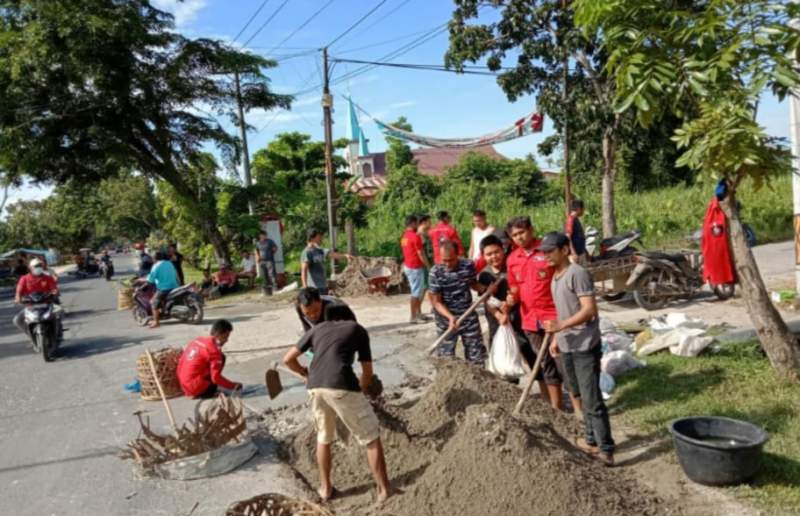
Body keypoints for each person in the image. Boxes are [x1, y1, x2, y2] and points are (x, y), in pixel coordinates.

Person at [283, 316, 395, 503]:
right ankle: (384, 490)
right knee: (371, 437)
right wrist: (363, 388)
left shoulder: (317, 329)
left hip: (315, 387)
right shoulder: (357, 329)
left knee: (323, 437)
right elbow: (367, 371)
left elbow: (287, 359)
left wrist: (304, 373)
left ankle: (325, 489)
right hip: (341, 385)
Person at [541, 232, 615, 466]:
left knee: (591, 398)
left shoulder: (578, 274)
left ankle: (606, 449)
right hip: (567, 344)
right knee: (576, 393)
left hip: (584, 344)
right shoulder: (555, 277)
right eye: (544, 252)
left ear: (564, 250)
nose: (546, 256)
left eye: (550, 251)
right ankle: (591, 440)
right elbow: (563, 311)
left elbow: (589, 309)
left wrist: (561, 325)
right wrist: (556, 338)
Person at [505, 216, 564, 410]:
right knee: (544, 363)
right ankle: (556, 408)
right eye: (514, 235)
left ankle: (575, 405)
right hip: (530, 319)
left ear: (531, 229)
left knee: (563, 362)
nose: (519, 238)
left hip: (555, 316)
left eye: (521, 232)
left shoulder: (547, 251)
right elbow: (514, 286)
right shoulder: (513, 259)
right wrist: (512, 297)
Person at [477, 234, 535, 367]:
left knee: (533, 358)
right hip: (498, 324)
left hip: (519, 321)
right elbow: (487, 300)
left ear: (503, 249)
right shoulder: (484, 275)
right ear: (483, 256)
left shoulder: (512, 267)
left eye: (496, 252)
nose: (494, 257)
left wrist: (509, 304)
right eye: (489, 254)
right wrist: (499, 315)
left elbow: (521, 291)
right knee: (504, 365)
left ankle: (543, 385)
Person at [429, 241, 487, 365]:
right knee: (446, 359)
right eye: (444, 260)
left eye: (451, 260)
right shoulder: (436, 272)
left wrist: (484, 289)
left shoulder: (467, 265)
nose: (447, 264)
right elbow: (436, 302)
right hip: (446, 321)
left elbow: (472, 283)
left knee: (476, 356)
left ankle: (477, 382)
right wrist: (450, 317)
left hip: (468, 316)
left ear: (458, 255)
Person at [177, 319, 242, 398]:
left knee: (219, 358)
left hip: (184, 385)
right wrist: (233, 386)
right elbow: (215, 378)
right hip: (194, 388)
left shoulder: (197, 340)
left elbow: (181, 362)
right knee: (221, 358)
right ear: (219, 335)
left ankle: (200, 386)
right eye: (226, 336)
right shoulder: (214, 351)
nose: (227, 340)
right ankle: (208, 391)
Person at [13, 258, 60, 336]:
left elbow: (53, 287)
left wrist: (55, 292)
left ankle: (57, 333)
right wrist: (18, 297)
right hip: (31, 305)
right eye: (36, 266)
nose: (39, 267)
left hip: (46, 303)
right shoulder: (24, 279)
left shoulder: (47, 278)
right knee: (17, 320)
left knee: (58, 314)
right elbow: (19, 290)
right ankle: (31, 335)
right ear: (30, 268)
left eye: (40, 265)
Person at [300, 229, 350, 295]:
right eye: (319, 237)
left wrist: (345, 256)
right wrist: (305, 287)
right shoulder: (307, 252)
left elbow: (332, 255)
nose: (321, 239)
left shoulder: (319, 250)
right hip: (313, 288)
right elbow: (304, 270)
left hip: (323, 286)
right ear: (312, 238)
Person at [400, 215, 430, 324]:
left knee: (418, 291)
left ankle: (418, 314)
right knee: (416, 293)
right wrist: (428, 266)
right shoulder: (415, 237)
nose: (418, 225)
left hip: (408, 266)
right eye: (416, 223)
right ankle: (413, 317)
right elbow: (421, 253)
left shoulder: (404, 236)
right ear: (413, 224)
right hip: (415, 267)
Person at [141, 251, 180, 328]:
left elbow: (150, 279)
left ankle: (156, 322)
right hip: (174, 286)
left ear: (154, 258)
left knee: (153, 302)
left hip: (164, 288)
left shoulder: (156, 266)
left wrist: (140, 280)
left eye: (152, 258)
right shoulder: (169, 263)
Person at [255, 231, 278, 296]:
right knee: (264, 275)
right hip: (262, 261)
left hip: (269, 260)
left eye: (264, 235)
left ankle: (274, 287)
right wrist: (257, 257)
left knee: (271, 274)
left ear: (266, 235)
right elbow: (256, 251)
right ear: (260, 236)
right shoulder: (257, 243)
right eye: (261, 235)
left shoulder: (270, 241)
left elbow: (275, 248)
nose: (263, 236)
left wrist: (272, 253)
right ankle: (266, 288)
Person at [565, 199, 588, 264]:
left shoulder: (576, 219)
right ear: (578, 208)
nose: (584, 211)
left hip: (580, 253)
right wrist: (573, 253)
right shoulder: (571, 220)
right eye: (583, 208)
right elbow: (568, 237)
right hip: (575, 256)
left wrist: (585, 252)